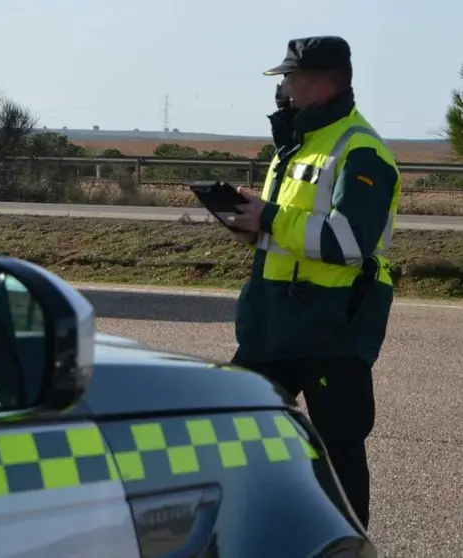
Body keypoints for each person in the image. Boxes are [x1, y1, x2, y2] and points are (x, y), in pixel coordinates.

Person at [226, 36, 402, 531]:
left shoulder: (360, 150)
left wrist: (270, 217)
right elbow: (287, 233)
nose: (282, 88)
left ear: (322, 85)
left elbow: (349, 240)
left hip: (332, 327)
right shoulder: (295, 145)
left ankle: (346, 545)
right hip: (272, 322)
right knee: (238, 427)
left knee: (339, 452)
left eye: (291, 78)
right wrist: (251, 226)